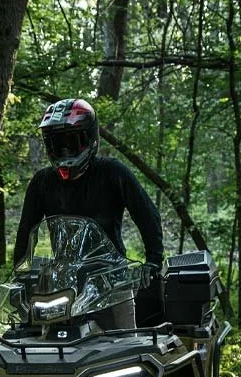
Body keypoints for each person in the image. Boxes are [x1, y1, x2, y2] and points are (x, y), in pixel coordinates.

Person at [9, 97, 164, 328]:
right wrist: (19, 276)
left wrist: (153, 261)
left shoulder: (113, 173)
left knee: (126, 344)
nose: (63, 150)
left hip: (112, 279)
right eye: (55, 143)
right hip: (61, 281)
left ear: (90, 138)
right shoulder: (42, 182)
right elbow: (26, 231)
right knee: (40, 345)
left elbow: (147, 214)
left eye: (72, 141)